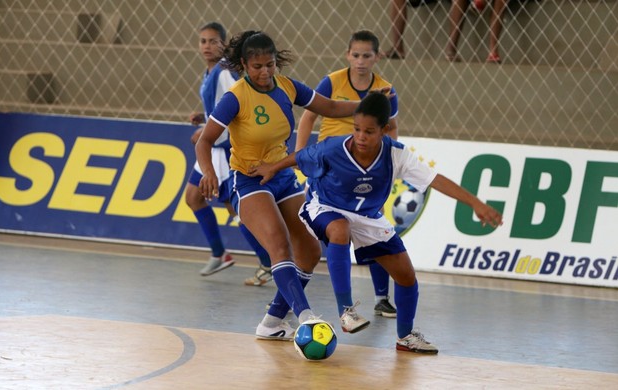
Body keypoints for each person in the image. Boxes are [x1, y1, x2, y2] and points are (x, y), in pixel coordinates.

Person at [248, 91, 503, 353]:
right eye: (357, 129)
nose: (360, 137)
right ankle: (346, 311)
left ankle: (405, 337)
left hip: (368, 217)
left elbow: (435, 180)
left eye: (369, 132)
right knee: (340, 229)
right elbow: (299, 157)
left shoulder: (397, 155)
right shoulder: (333, 148)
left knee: (406, 276)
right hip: (324, 206)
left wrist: (475, 202)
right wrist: (273, 167)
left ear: (384, 130)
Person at [195, 30, 366, 340]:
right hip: (249, 179)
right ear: (244, 65)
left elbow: (329, 107)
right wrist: (208, 172)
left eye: (270, 65)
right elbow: (204, 141)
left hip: (283, 177)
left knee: (311, 250)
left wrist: (366, 104)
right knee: (278, 244)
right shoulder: (235, 97)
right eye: (257, 66)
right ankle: (306, 317)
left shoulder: (287, 87)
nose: (264, 73)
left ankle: (272, 322)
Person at [296, 30, 399, 328]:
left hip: (364, 167)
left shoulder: (385, 89)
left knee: (373, 228)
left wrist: (386, 163)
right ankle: (288, 298)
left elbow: (390, 128)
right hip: (329, 166)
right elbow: (309, 116)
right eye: (356, 55)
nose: (361, 60)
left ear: (377, 57)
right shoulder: (332, 81)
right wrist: (301, 152)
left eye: (367, 55)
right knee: (315, 237)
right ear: (347, 56)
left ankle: (381, 297)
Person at [186, 22, 273, 285]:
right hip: (212, 148)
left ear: (223, 44)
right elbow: (222, 106)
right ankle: (220, 253)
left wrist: (206, 132)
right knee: (193, 198)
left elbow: (239, 103)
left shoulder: (224, 71)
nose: (207, 46)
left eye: (213, 41)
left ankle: (268, 261)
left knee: (236, 209)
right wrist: (205, 118)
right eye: (203, 41)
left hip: (222, 149)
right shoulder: (210, 71)